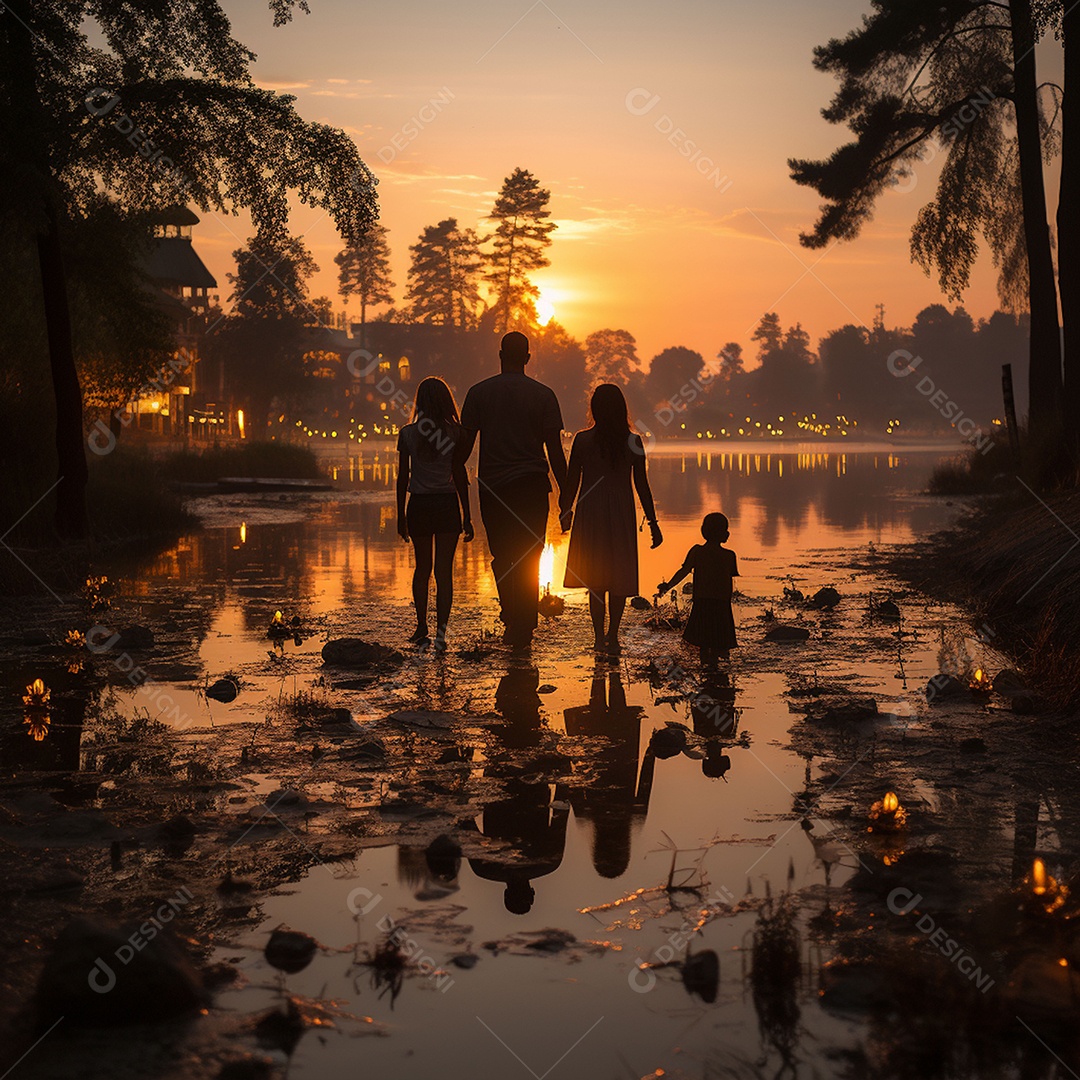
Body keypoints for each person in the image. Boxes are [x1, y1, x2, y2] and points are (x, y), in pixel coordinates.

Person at [456, 332, 568, 649]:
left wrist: (447, 467)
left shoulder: (479, 393)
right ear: (528, 358)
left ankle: (510, 615)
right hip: (532, 486)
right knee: (531, 555)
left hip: (494, 488)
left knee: (502, 556)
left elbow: (464, 448)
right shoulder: (544, 395)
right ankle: (525, 625)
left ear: (500, 354)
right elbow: (555, 453)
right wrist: (567, 495)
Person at [560, 383, 662, 654]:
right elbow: (642, 486)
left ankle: (597, 638)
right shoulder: (633, 441)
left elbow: (571, 482)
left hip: (590, 510)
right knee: (617, 573)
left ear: (594, 408)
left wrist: (565, 510)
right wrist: (653, 524)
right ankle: (613, 636)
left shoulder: (582, 440)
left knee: (596, 577)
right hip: (620, 511)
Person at [396, 376, 473, 650]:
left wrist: (400, 515)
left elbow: (402, 477)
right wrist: (468, 515)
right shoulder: (457, 434)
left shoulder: (407, 434)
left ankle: (420, 626)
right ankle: (441, 633)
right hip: (446, 504)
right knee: (444, 572)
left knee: (422, 568)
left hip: (418, 504)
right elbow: (459, 474)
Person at [657, 512, 738, 668]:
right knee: (716, 643)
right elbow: (729, 584)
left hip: (702, 603)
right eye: (726, 529)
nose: (728, 533)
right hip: (721, 606)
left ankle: (706, 668)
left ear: (704, 531)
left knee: (703, 643)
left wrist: (667, 586)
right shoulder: (729, 556)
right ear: (723, 533)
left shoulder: (697, 552)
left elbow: (683, 572)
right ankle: (714, 669)